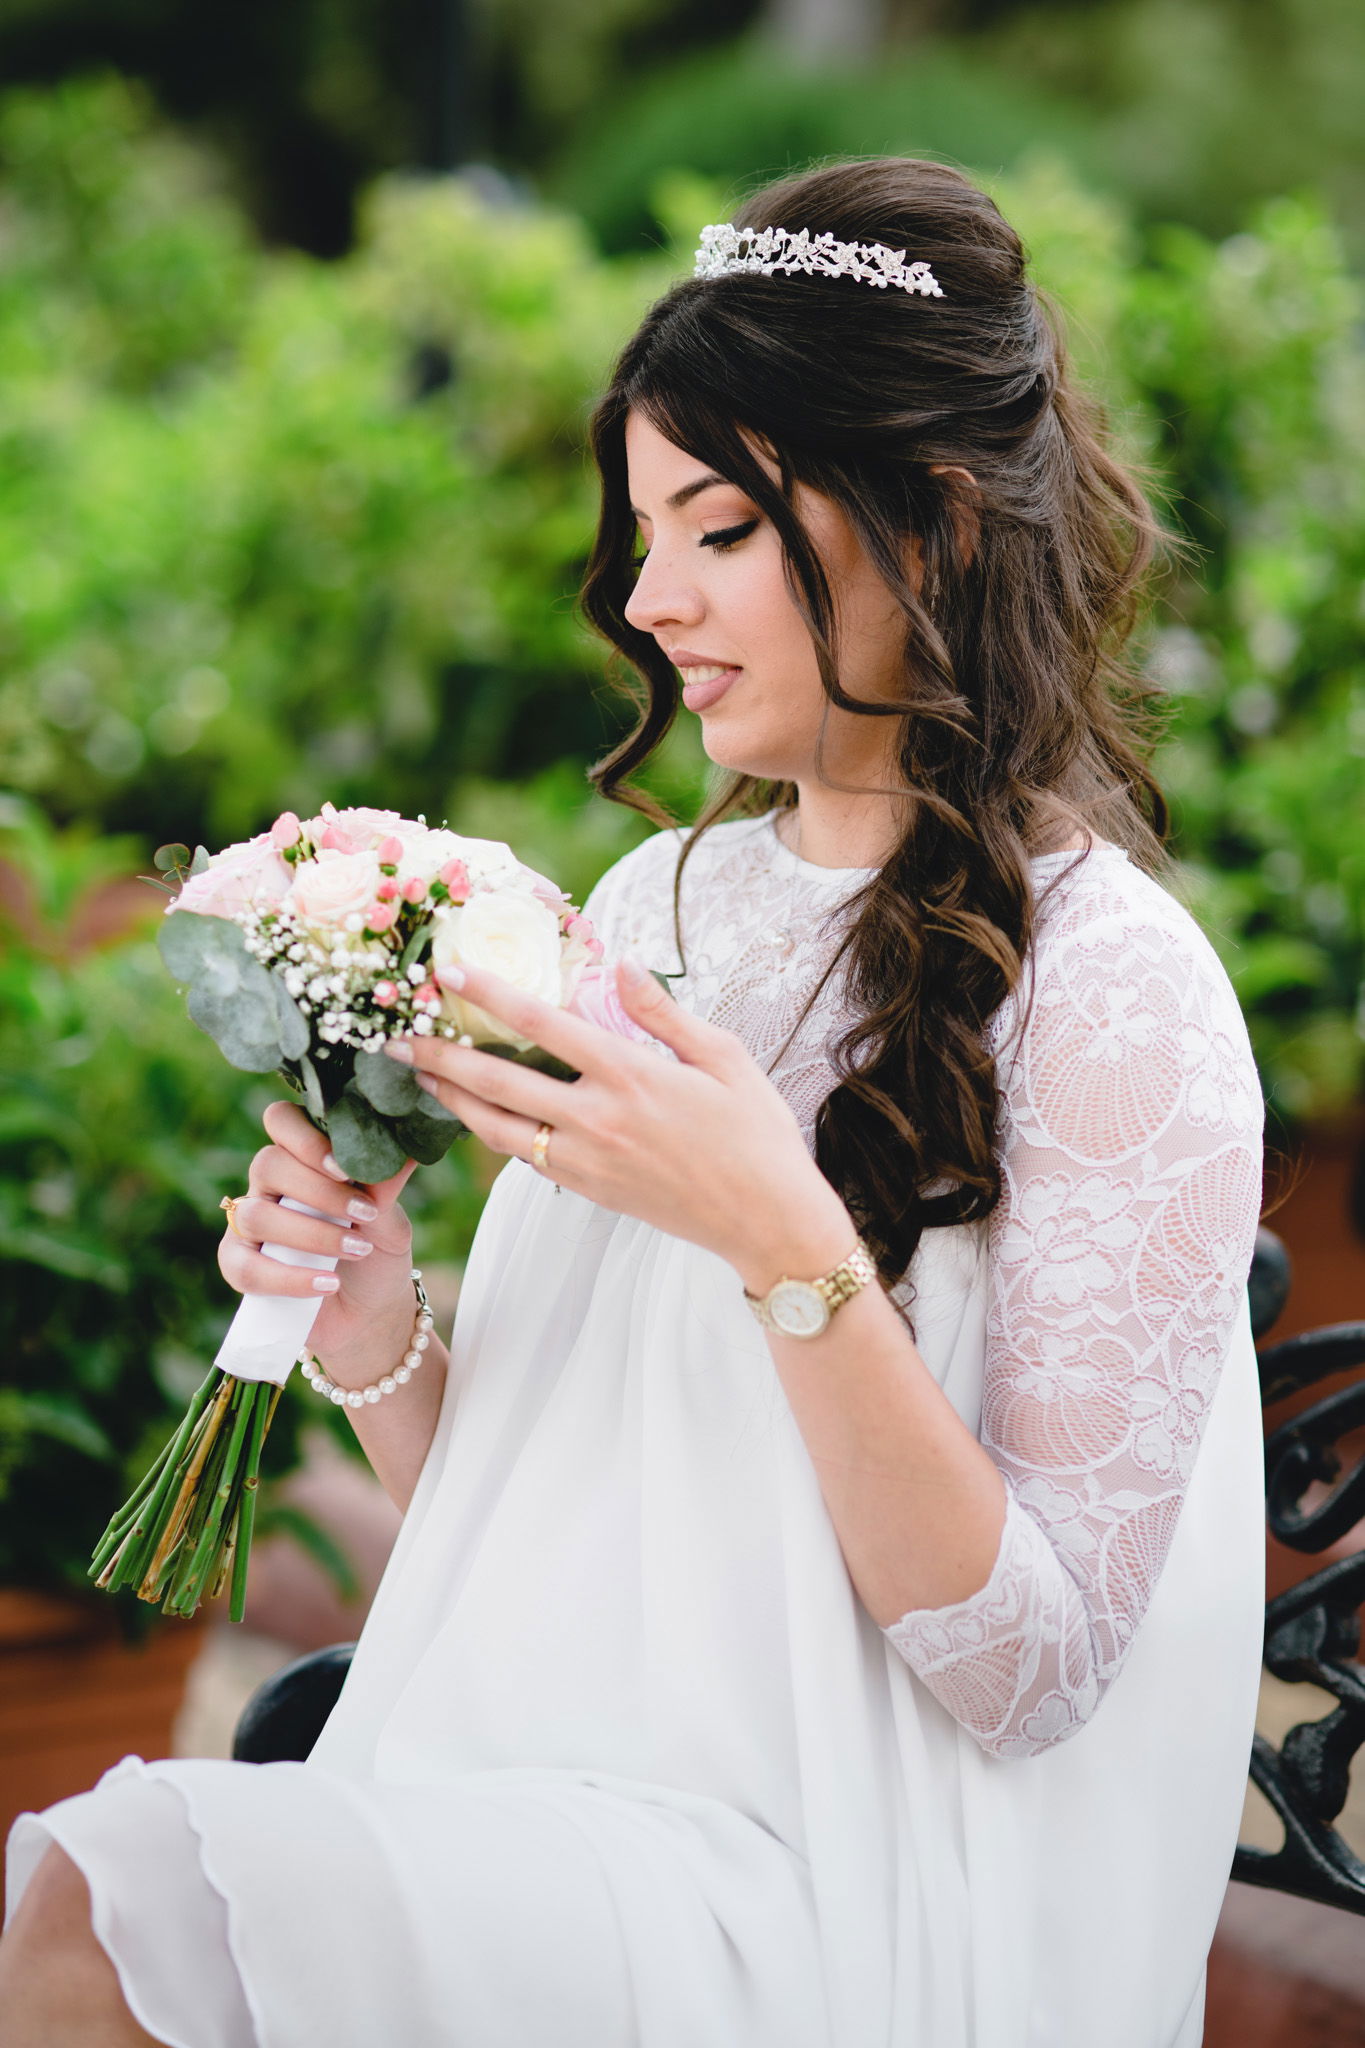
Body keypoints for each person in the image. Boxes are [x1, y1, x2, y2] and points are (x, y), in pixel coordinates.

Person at [1, 155, 1266, 2048]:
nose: (649, 599)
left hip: (849, 1880)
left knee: (109, 1908)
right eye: (639, 533)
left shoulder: (1118, 991)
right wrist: (378, 1321)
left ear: (925, 520)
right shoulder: (655, 907)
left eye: (717, 530)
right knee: (99, 1908)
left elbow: (1029, 1669)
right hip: (556, 1786)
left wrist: (780, 1234)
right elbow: (549, 1509)